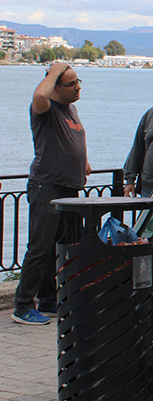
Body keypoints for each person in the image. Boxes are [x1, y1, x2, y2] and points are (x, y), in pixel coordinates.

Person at [12, 62, 90, 326]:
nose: (78, 87)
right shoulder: (44, 109)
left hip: (68, 187)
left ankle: (48, 300)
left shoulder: (71, 109)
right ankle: (23, 306)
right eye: (71, 84)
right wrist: (55, 70)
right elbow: (39, 94)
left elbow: (76, 138)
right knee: (39, 248)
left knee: (56, 249)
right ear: (56, 87)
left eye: (79, 82)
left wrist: (84, 162)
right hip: (47, 186)